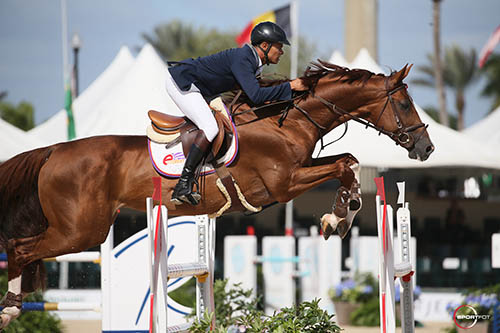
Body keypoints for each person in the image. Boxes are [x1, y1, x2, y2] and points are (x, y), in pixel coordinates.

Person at [166, 21, 308, 205]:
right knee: (210, 127)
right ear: (264, 46)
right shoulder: (243, 58)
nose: (281, 52)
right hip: (183, 83)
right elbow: (256, 96)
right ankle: (183, 184)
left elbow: (257, 98)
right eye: (279, 47)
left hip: (201, 89)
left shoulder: (255, 63)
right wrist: (290, 86)